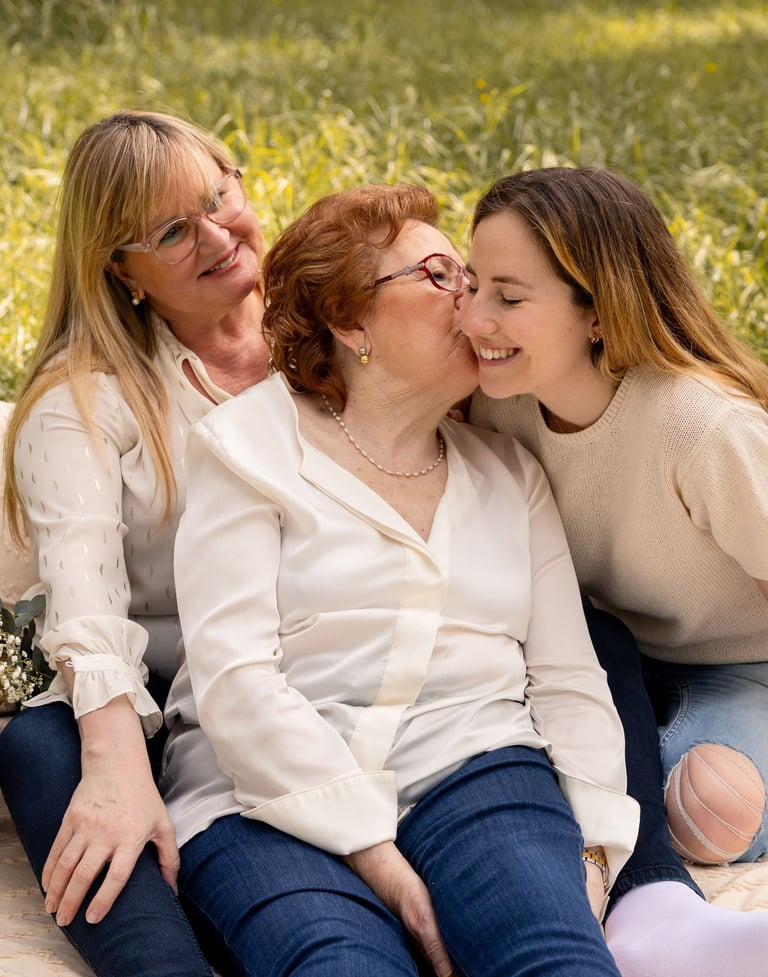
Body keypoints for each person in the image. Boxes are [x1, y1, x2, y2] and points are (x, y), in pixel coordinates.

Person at [160, 182, 639, 977]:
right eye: (440, 275)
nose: (471, 302)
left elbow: (567, 682)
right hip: (261, 800)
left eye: (472, 280)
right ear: (350, 322)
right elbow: (237, 685)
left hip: (476, 767)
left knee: (558, 961)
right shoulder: (247, 449)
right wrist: (379, 859)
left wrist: (590, 857)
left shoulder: (509, 472)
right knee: (341, 965)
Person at [461, 165, 768, 977]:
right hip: (600, 657)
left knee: (706, 809)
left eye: (508, 296)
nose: (474, 317)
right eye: (471, 284)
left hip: (747, 665)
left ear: (596, 311)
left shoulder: (700, 427)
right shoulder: (499, 402)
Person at [0, 109, 270, 976]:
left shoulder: (329, 335)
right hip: (140, 691)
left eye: (218, 197)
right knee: (43, 745)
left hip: (292, 676)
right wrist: (116, 771)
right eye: (172, 232)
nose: (217, 236)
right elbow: (84, 608)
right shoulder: (83, 399)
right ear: (122, 270)